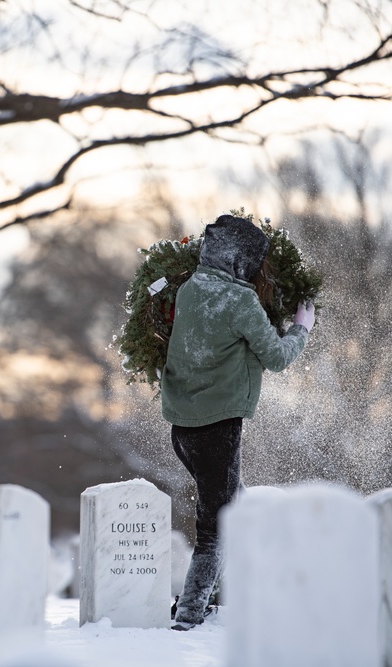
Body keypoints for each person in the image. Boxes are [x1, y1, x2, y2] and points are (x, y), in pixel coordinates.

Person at [161, 213, 314, 631]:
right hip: (218, 429)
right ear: (242, 260)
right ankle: (189, 616)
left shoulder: (190, 290)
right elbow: (278, 357)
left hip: (182, 427)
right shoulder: (240, 301)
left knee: (234, 504)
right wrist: (302, 328)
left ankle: (240, 590)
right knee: (217, 526)